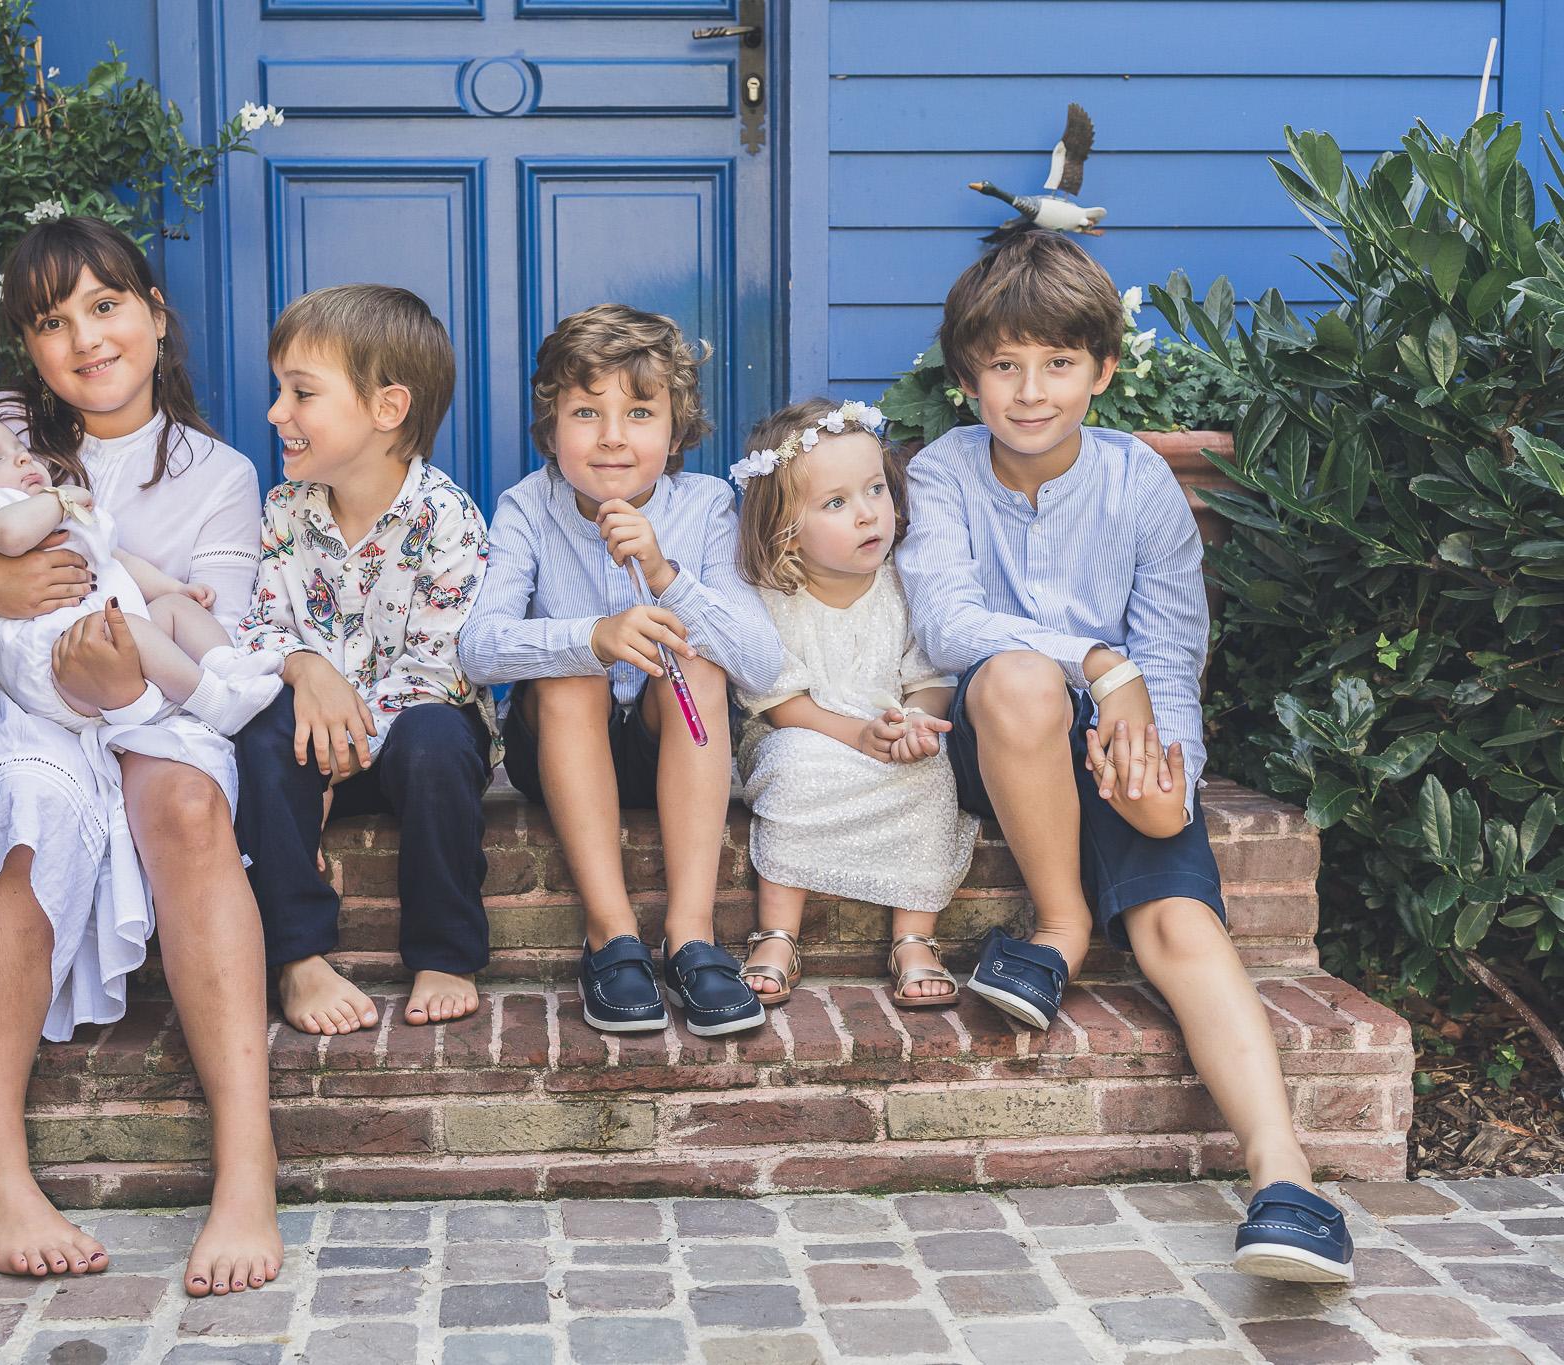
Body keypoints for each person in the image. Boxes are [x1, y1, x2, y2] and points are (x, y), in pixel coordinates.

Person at [896, 229, 1354, 1284]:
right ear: (966, 379)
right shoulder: (943, 470)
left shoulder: (1138, 483)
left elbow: (1170, 654)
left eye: (1056, 364)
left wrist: (1165, 785)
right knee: (1013, 674)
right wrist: (1093, 661)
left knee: (1179, 924)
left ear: (1100, 370)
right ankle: (1057, 928)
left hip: (1124, 741)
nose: (1027, 391)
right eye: (1002, 365)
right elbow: (954, 620)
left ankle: (1284, 1181)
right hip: (1002, 739)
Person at [0, 216, 283, 1298]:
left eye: (105, 307)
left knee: (187, 805)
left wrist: (143, 671)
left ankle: (247, 1167)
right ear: (29, 345)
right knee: (27, 800)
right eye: (52, 322)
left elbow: (214, 625)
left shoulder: (219, 474)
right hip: (17, 695)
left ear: (154, 314)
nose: (85, 340)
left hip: (150, 690)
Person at [459, 304, 782, 1038]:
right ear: (551, 426)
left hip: (681, 744)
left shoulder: (704, 506)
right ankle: (611, 935)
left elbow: (762, 664)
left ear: (675, 429)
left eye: (639, 411)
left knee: (697, 664)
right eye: (584, 412)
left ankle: (692, 935)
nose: (611, 436)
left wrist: (667, 573)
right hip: (566, 752)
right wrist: (594, 637)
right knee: (573, 668)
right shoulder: (527, 508)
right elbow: (479, 649)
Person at [235, 284, 497, 1036]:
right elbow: (259, 628)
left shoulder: (447, 519)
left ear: (387, 410)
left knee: (439, 742)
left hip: (412, 737)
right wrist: (304, 669)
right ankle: (298, 957)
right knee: (260, 736)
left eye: (301, 393)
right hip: (315, 740)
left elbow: (437, 671)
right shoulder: (287, 509)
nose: (276, 412)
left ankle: (446, 950)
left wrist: (345, 743)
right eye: (279, 389)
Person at [728, 398, 977, 1009]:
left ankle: (915, 938)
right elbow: (781, 703)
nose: (868, 514)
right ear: (784, 527)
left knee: (931, 772)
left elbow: (928, 673)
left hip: (889, 737)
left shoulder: (903, 582)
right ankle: (778, 932)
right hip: (807, 733)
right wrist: (858, 734)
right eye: (836, 503)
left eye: (875, 490)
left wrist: (917, 721)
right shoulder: (771, 595)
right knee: (795, 766)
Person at [0, 411, 282, 734]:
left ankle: (228, 669)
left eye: (21, 451)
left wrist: (174, 588)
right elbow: (12, 535)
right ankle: (215, 704)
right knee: (127, 626)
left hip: (112, 639)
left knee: (175, 609)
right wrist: (61, 501)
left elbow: (114, 559)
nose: (21, 460)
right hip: (57, 666)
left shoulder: (45, 502)